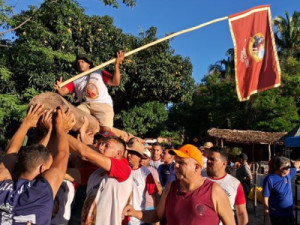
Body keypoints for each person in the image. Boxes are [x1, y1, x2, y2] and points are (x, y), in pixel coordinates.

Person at [123, 144, 236, 225]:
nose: (175, 166)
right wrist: (134, 212)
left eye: (181, 163)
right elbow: (157, 215)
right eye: (176, 162)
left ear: (197, 167)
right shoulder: (170, 188)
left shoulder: (214, 191)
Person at [0, 104, 73, 225]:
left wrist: (26, 124)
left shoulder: (3, 180)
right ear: (42, 168)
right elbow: (63, 154)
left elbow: (10, 154)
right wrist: (60, 127)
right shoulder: (42, 190)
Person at [67, 132, 132, 225]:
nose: (100, 148)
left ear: (118, 154)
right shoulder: (96, 173)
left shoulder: (124, 168)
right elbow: (65, 173)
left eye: (106, 146)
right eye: (101, 144)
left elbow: (84, 153)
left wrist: (59, 129)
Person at [54, 51, 125, 133]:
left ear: (89, 64)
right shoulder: (74, 79)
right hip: (85, 106)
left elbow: (116, 82)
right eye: (78, 63)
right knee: (70, 119)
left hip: (102, 104)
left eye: (82, 62)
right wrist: (58, 88)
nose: (80, 64)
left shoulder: (99, 72)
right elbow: (63, 92)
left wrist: (116, 65)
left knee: (105, 131)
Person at [206, 147, 248, 225]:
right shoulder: (199, 179)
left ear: (224, 164)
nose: (208, 161)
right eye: (208, 158)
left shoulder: (235, 184)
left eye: (212, 159)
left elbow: (241, 213)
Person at [127, 138, 158, 225]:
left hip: (137, 220)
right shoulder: (122, 169)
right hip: (121, 218)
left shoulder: (145, 173)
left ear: (140, 156)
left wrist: (156, 219)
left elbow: (155, 195)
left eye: (132, 153)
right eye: (128, 152)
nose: (129, 155)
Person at [263, 156, 300, 225]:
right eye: (288, 168)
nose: (290, 169)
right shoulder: (269, 179)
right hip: (276, 216)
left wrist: (293, 162)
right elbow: (265, 199)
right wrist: (267, 218)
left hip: (289, 215)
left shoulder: (288, 174)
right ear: (281, 169)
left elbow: (297, 164)